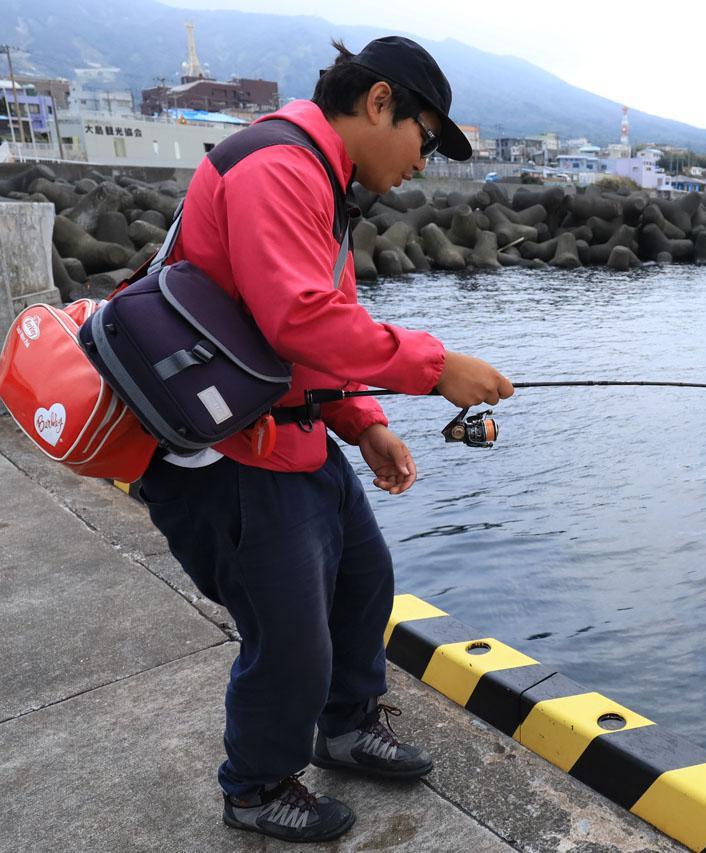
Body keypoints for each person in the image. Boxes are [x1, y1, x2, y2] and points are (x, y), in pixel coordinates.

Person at [136, 36, 514, 843]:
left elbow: (305, 337)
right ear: (380, 103)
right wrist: (438, 365)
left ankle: (344, 726)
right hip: (226, 451)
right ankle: (256, 784)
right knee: (290, 633)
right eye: (426, 139)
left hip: (289, 432)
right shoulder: (280, 166)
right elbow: (300, 317)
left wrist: (364, 423)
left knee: (364, 578)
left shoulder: (319, 175)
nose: (425, 161)